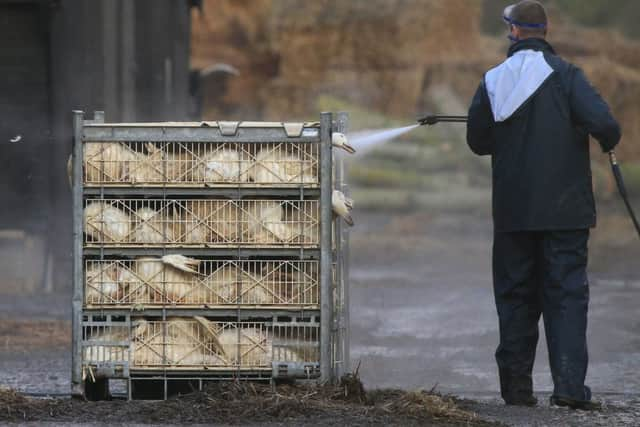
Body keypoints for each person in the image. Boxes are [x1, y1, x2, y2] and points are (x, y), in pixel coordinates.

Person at [466, 0, 621, 410]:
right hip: (565, 212)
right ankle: (569, 390)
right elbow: (606, 126)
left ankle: (517, 393)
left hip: (514, 213)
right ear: (544, 32)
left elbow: (477, 141)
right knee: (566, 296)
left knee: (516, 296)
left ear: (514, 32)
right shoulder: (568, 76)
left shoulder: (493, 80)